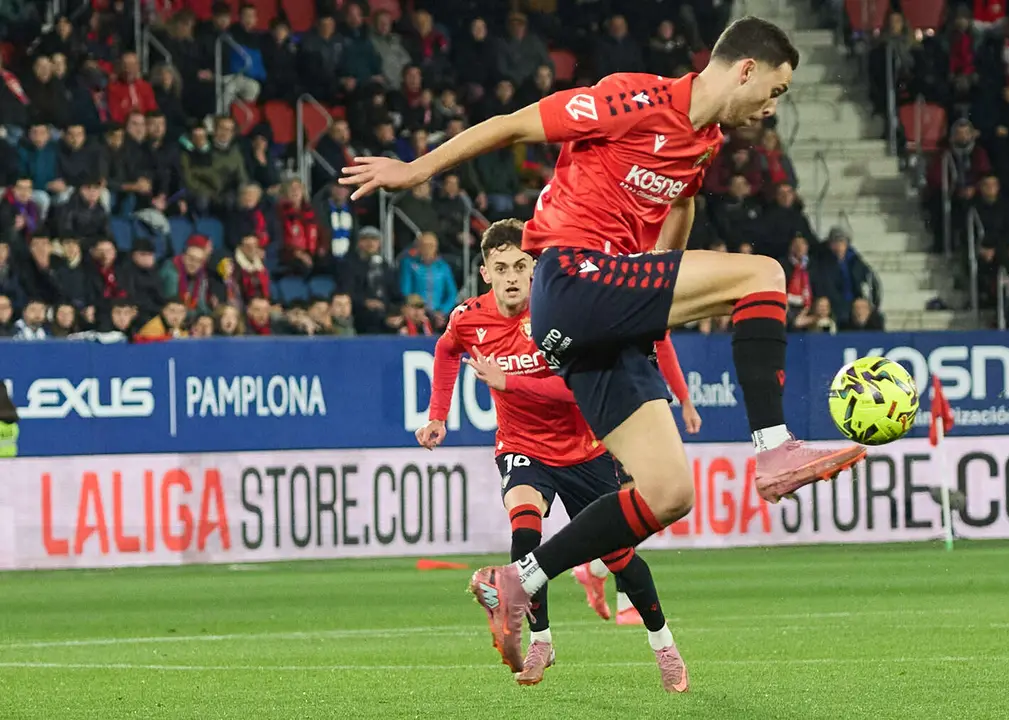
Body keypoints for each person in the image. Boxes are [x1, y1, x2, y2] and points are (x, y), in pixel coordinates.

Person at [342, 17, 866, 676]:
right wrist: (413, 170)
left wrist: (658, 291)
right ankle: (773, 449)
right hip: (569, 278)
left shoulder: (703, 143)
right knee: (764, 274)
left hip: (607, 317)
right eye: (777, 90)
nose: (772, 106)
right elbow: (511, 124)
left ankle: (520, 580)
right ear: (746, 69)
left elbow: (678, 211)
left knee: (671, 491)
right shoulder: (632, 98)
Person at [419, 220, 698, 689]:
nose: (511, 276)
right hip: (522, 446)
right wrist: (437, 414)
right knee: (524, 525)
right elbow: (447, 351)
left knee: (621, 558)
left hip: (584, 449)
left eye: (521, 266)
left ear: (536, 271)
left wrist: (510, 382)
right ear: (485, 272)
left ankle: (664, 645)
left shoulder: (560, 317)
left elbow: (575, 390)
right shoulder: (468, 318)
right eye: (500, 266)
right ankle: (541, 641)